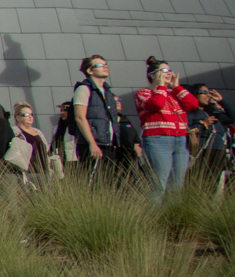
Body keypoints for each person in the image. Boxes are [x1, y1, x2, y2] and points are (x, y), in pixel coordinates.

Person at [136, 58, 198, 197]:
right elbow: (157, 104)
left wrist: (177, 87)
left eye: (170, 70)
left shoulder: (173, 93)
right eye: (164, 71)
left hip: (180, 140)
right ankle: (154, 217)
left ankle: (171, 216)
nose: (169, 73)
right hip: (158, 140)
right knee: (159, 183)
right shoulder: (143, 93)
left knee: (177, 185)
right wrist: (161, 87)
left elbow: (193, 104)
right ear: (153, 75)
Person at [71, 55, 133, 174]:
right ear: (90, 70)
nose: (105, 67)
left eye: (106, 64)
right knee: (91, 181)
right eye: (100, 65)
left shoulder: (108, 92)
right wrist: (92, 143)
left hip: (108, 144)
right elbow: (79, 117)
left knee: (106, 183)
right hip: (92, 144)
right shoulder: (84, 89)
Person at [6, 103, 60, 187]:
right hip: (29, 174)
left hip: (44, 172)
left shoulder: (38, 132)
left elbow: (46, 151)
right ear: (18, 117)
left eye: (32, 114)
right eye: (26, 114)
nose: (30, 117)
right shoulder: (16, 132)